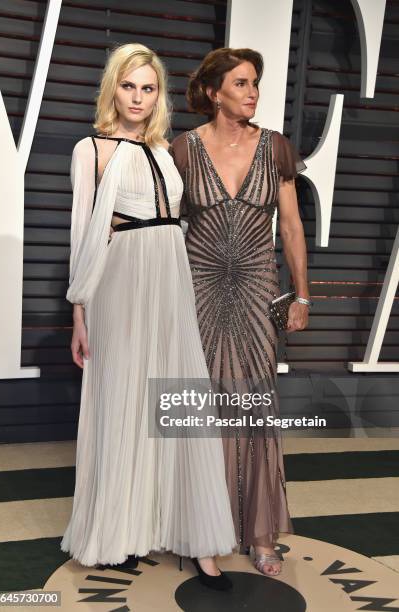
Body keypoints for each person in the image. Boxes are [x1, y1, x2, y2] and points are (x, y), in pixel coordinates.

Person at [60, 42, 237, 591]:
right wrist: (80, 314)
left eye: (148, 87)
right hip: (119, 282)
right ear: (112, 88)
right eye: (128, 85)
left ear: (159, 95)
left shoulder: (166, 149)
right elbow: (81, 234)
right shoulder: (90, 149)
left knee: (176, 399)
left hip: (169, 278)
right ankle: (115, 535)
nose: (137, 97)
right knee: (122, 404)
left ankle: (197, 538)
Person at [170, 47, 310, 577]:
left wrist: (302, 295)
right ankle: (198, 525)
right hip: (197, 292)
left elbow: (292, 227)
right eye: (242, 83)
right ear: (213, 92)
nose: (253, 92)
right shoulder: (183, 150)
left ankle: (259, 532)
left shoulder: (275, 147)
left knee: (253, 407)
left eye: (256, 82)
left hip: (255, 292)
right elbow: (164, 228)